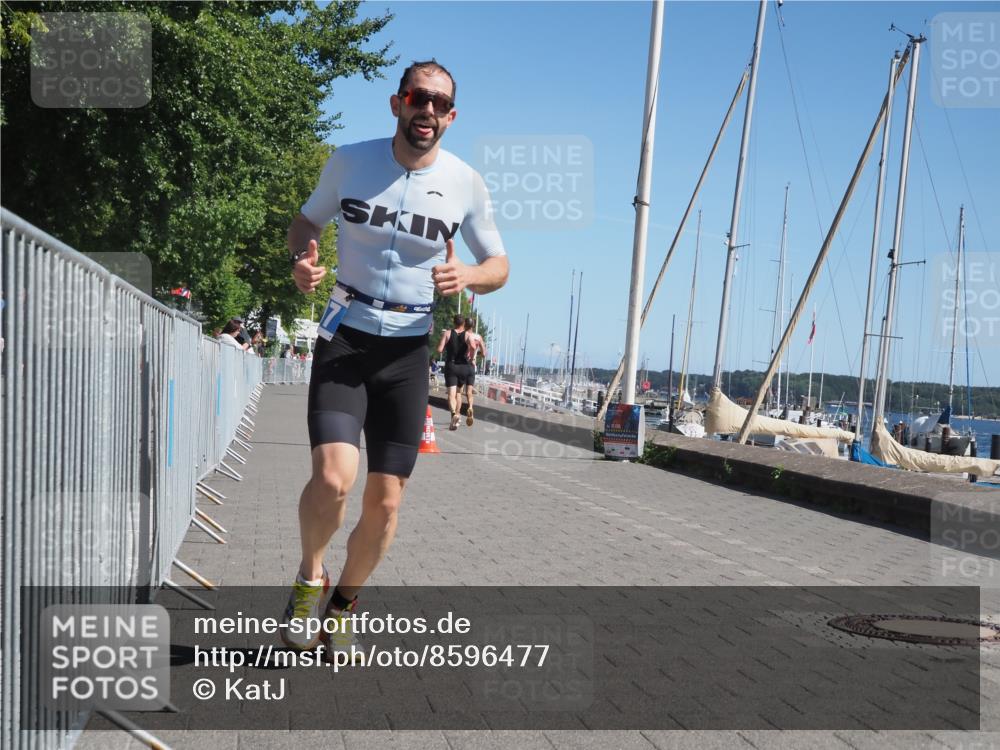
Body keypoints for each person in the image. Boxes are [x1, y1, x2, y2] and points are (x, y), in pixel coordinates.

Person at [283, 59, 509, 655]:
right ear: (397, 103)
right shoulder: (350, 161)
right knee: (333, 479)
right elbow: (306, 220)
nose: (427, 111)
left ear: (451, 116)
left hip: (407, 355)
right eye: (418, 98)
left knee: (384, 505)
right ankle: (309, 577)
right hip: (346, 338)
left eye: (439, 104)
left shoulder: (466, 183)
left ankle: (343, 604)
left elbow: (500, 264)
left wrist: (472, 275)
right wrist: (302, 261)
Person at [436, 314, 474, 429]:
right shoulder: (468, 335)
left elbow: (439, 349)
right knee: (459, 393)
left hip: (451, 366)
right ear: (463, 324)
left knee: (451, 395)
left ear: (454, 322)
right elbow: (472, 346)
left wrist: (443, 345)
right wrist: (471, 356)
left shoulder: (447, 333)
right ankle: (457, 416)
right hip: (463, 366)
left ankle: (453, 413)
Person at [464, 316, 487, 425]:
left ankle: (456, 414)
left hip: (461, 364)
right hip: (472, 365)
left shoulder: (463, 335)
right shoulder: (478, 337)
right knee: (469, 391)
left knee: (458, 391)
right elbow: (484, 353)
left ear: (465, 324)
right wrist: (477, 355)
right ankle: (471, 407)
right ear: (473, 325)